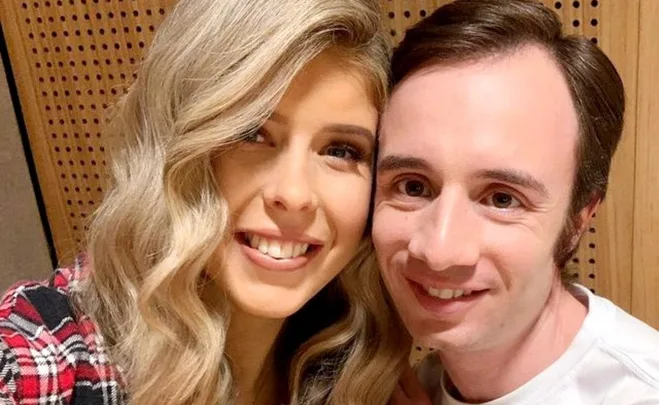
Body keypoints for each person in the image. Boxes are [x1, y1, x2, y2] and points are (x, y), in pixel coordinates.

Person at [0, 0, 409, 404]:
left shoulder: (351, 365)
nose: (295, 194)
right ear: (173, 144)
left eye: (341, 150)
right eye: (251, 133)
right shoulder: (48, 355)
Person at [374, 0, 659, 404]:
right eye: (413, 187)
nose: (438, 251)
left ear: (579, 219)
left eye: (502, 199)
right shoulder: (420, 382)